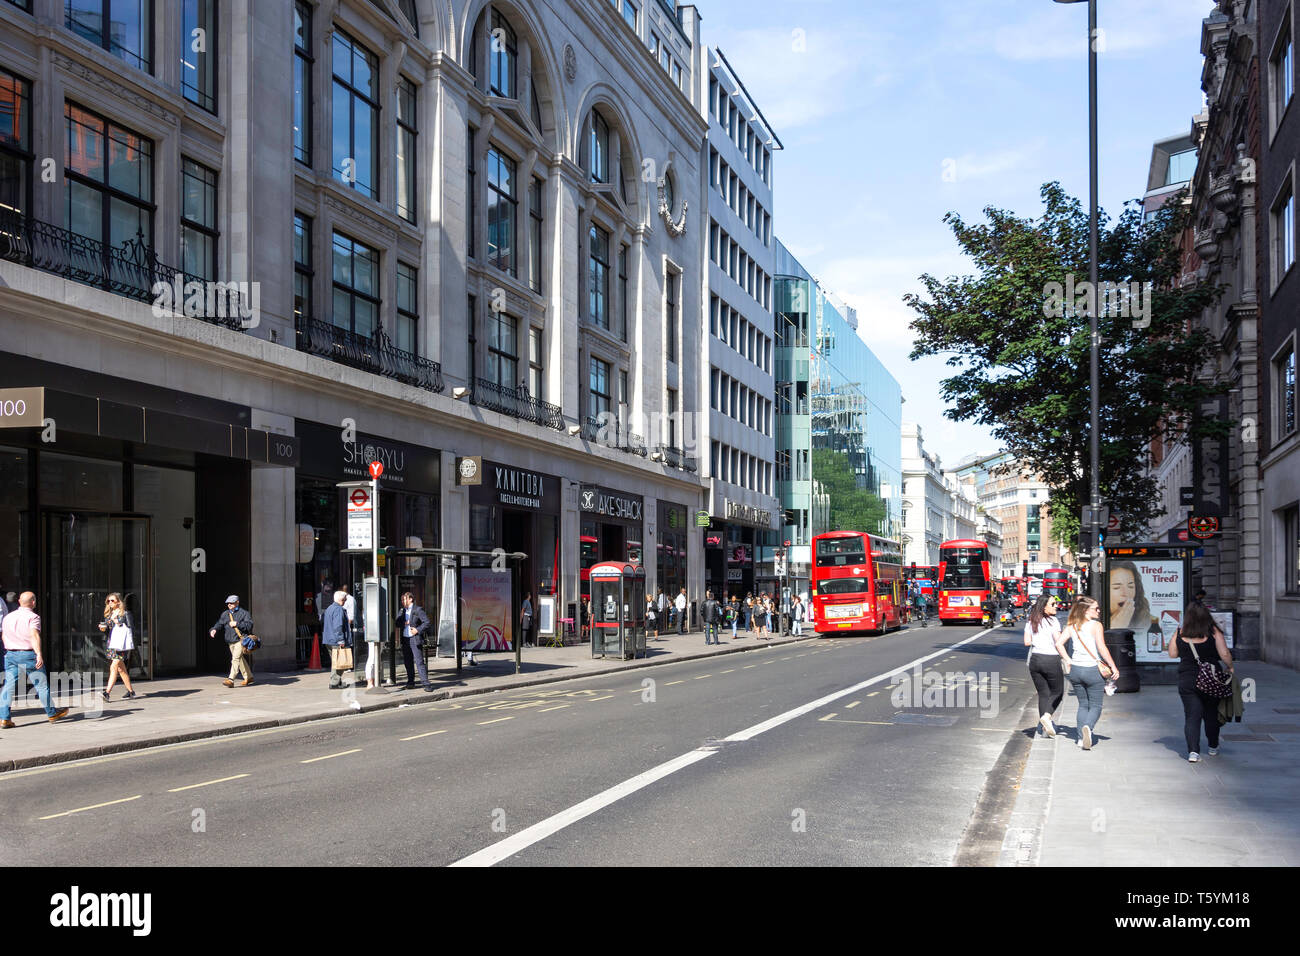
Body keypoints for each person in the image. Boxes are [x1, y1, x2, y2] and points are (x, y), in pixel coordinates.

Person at [1169, 601, 1235, 762]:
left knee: (1192, 716)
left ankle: (1193, 752)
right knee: (1211, 714)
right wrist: (1230, 667)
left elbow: (1172, 653)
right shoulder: (1213, 632)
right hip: (1211, 679)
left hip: (1187, 679)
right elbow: (1225, 653)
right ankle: (1213, 746)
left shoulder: (1180, 632)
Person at [1054, 596, 1119, 750]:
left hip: (1075, 670)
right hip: (1092, 670)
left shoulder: (1072, 626)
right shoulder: (1096, 625)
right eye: (1095, 608)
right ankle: (1088, 728)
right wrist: (1113, 666)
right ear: (1085, 610)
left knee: (1083, 705)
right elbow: (1102, 648)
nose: (1098, 611)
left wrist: (1068, 660)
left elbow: (1058, 643)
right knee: (1095, 705)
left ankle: (1080, 739)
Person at [0, 592, 70, 726]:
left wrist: (8, 649)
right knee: (41, 685)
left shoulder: (8, 617)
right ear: (33, 602)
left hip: (10, 654)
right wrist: (38, 653)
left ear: (19, 601)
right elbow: (34, 635)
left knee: (8, 685)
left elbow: (3, 636)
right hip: (28, 654)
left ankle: (4, 718)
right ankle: (52, 713)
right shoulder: (33, 617)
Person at [1023, 594, 1064, 737]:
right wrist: (1067, 658)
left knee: (1043, 694)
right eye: (1052, 604)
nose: (1055, 606)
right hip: (1051, 659)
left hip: (1035, 659)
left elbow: (1027, 642)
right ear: (1044, 607)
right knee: (1058, 692)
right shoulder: (1053, 621)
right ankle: (1047, 718)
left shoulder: (1031, 621)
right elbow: (1059, 642)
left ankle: (1044, 729)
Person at [1107, 561, 1161, 644]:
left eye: (1131, 586)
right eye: (1117, 587)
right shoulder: (1094, 621)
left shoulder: (1151, 621)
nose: (1126, 593)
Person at [209, 594, 255, 688]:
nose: (229, 604)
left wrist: (237, 624)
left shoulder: (244, 613)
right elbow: (219, 623)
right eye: (228, 603)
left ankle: (231, 679)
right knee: (240, 659)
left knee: (235, 659)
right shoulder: (225, 614)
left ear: (237, 602)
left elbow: (249, 625)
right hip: (230, 641)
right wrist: (214, 629)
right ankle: (249, 677)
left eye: (231, 602)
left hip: (240, 640)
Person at [98, 592, 137, 701]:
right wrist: (103, 628)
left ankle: (107, 693)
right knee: (121, 669)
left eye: (112, 600)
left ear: (119, 602)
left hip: (121, 645)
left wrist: (118, 622)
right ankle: (131, 692)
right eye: (108, 601)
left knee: (114, 667)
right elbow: (110, 631)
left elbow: (131, 629)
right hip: (112, 644)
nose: (110, 603)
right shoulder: (109, 614)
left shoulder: (125, 614)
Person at [398, 591, 434, 692]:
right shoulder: (402, 611)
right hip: (405, 640)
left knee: (419, 662)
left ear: (410, 599)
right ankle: (411, 682)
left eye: (404, 599)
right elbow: (397, 622)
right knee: (407, 662)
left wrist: (417, 630)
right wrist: (404, 621)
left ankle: (426, 684)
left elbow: (427, 622)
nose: (402, 601)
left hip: (415, 639)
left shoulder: (418, 610)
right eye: (402, 600)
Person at [321, 590, 352, 688]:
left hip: (328, 639)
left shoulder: (329, 608)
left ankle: (337, 682)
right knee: (340, 663)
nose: (346, 600)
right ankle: (334, 683)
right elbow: (338, 626)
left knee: (336, 662)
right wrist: (341, 640)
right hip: (336, 640)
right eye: (345, 599)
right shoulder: (338, 609)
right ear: (341, 599)